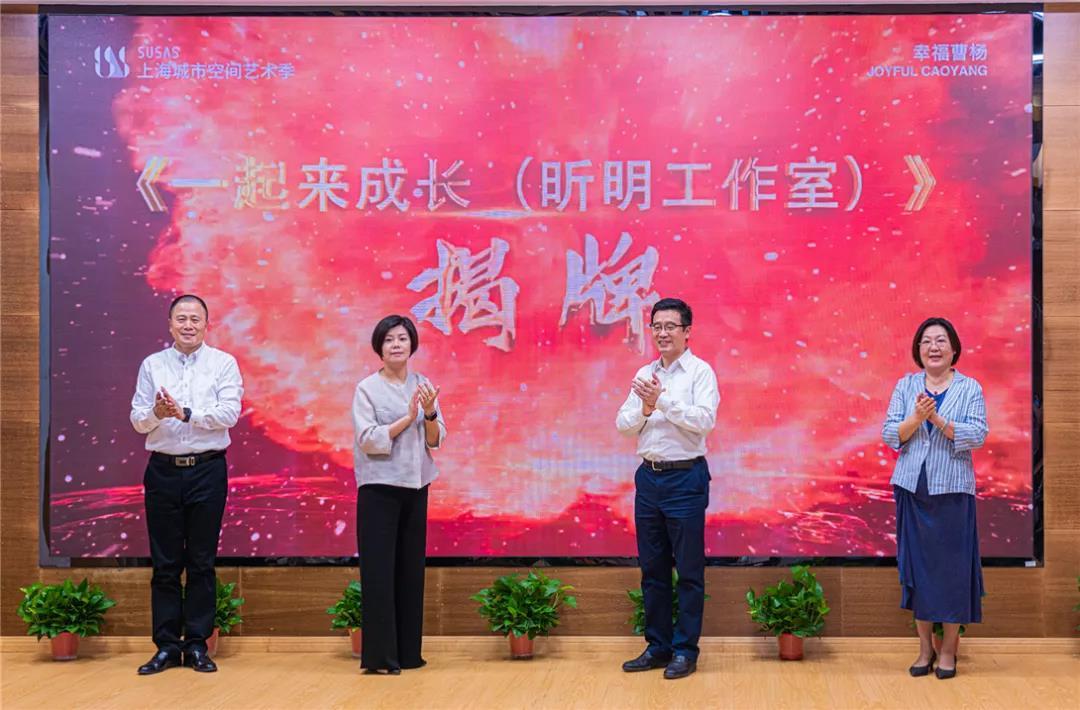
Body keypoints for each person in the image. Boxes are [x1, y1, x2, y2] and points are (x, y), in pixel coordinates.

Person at [130, 294, 243, 675]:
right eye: (181, 318)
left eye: (195, 319)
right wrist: (156, 413)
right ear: (170, 324)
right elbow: (137, 420)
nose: (188, 325)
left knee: (201, 562)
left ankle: (196, 645)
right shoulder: (152, 365)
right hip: (162, 471)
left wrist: (186, 414)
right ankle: (166, 646)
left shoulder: (223, 364)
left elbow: (230, 413)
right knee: (164, 564)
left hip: (207, 470)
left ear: (207, 324)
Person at [616, 297, 719, 680]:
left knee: (688, 571)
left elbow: (704, 421)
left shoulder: (700, 373)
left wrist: (662, 401)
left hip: (685, 478)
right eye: (656, 326)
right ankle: (657, 646)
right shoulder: (644, 373)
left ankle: (685, 650)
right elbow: (623, 424)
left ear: (687, 331)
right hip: (649, 478)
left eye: (670, 326)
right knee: (652, 569)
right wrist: (645, 409)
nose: (662, 333)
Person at [882, 317, 988, 680]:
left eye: (941, 340)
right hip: (913, 489)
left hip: (953, 493)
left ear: (954, 348)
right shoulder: (905, 386)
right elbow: (890, 434)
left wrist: (939, 420)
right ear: (918, 350)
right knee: (919, 572)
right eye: (926, 341)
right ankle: (924, 648)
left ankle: (948, 650)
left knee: (952, 573)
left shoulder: (970, 387)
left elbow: (978, 435)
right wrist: (916, 417)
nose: (934, 347)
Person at [352, 314, 446, 674]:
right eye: (389, 339)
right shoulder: (367, 389)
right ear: (379, 347)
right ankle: (381, 658)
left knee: (410, 571)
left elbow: (435, 440)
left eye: (402, 339)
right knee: (379, 572)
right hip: (379, 488)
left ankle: (408, 654)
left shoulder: (424, 385)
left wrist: (429, 413)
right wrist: (407, 419)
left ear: (412, 345)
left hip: (416, 486)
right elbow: (368, 439)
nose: (396, 345)